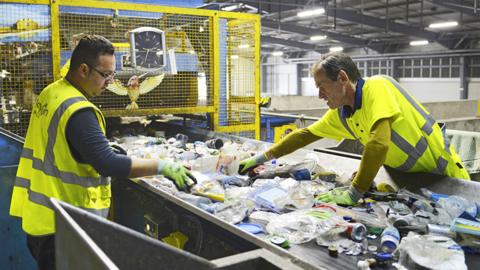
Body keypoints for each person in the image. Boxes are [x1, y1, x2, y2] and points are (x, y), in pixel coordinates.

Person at [9, 35, 195, 269]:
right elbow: (108, 164)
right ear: (84, 69)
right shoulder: (78, 110)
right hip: (65, 229)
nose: (109, 82)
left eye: (112, 75)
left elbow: (64, 146)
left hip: (41, 218)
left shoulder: (52, 92)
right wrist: (162, 166)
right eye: (105, 75)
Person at [239, 52, 470, 206]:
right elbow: (305, 135)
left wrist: (354, 191)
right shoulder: (344, 114)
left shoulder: (378, 87)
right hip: (410, 182)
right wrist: (262, 156)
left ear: (342, 77)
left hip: (446, 179)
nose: (320, 95)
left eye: (322, 86)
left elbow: (378, 144)